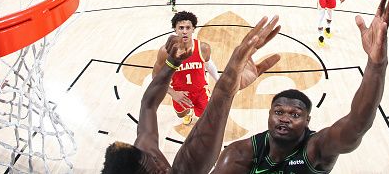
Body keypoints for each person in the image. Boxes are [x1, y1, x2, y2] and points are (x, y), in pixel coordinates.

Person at [212, 0, 389, 173]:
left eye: (295, 114)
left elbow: (357, 125)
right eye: (278, 112)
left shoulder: (317, 149)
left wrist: (376, 65)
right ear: (268, 115)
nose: (285, 118)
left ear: (308, 121)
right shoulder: (239, 154)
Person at [102, 15, 282, 174]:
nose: (162, 168)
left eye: (154, 161)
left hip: (198, 91)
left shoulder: (146, 153)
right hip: (181, 93)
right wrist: (224, 92)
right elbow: (190, 167)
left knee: (199, 116)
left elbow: (148, 104)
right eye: (155, 173)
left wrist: (173, 62)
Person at [151, 11, 219, 125]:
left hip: (201, 92)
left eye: (188, 28)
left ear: (193, 29)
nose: (184, 31)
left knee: (207, 122)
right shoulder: (165, 52)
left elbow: (208, 64)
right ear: (175, 29)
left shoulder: (203, 48)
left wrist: (219, 80)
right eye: (181, 28)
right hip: (179, 93)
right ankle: (188, 114)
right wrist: (172, 93)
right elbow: (155, 77)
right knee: (181, 114)